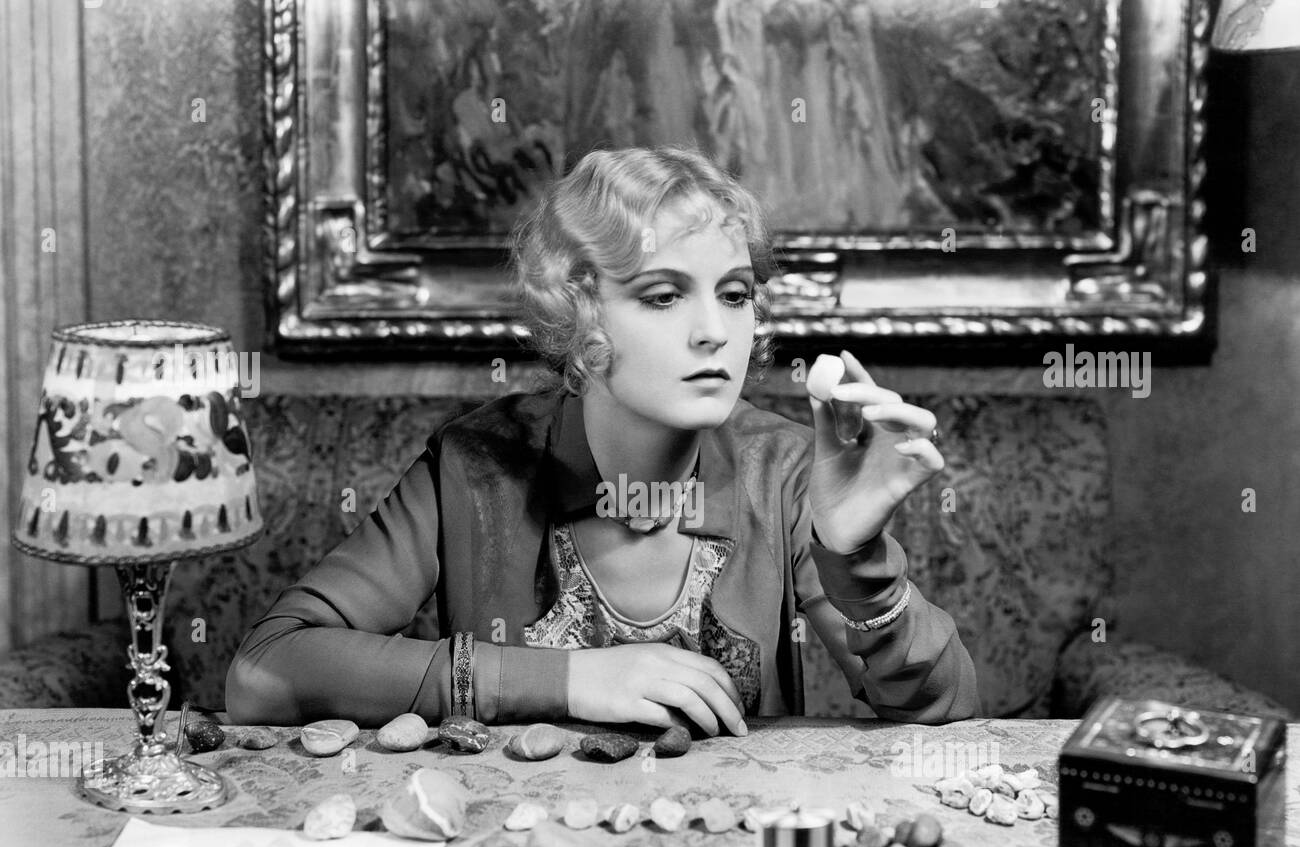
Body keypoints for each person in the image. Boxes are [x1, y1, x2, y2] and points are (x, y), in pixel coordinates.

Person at [225, 145, 978, 732]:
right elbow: (264, 670)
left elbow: (946, 716)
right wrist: (573, 681)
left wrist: (858, 560)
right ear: (581, 320)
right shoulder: (474, 466)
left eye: (736, 293)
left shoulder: (782, 469)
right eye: (663, 294)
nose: (715, 331)